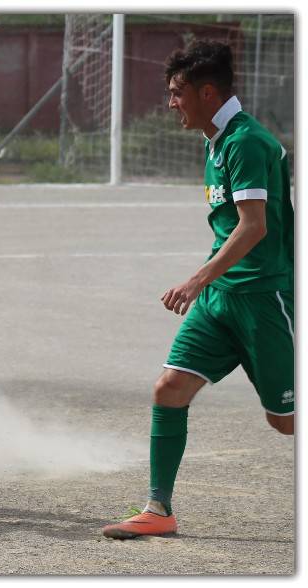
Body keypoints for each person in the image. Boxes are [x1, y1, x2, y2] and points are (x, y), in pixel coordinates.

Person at [102, 40, 293, 539]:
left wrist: (195, 278)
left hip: (264, 299)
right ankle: (159, 510)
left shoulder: (246, 142)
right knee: (170, 389)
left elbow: (254, 227)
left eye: (176, 93)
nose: (170, 104)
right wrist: (208, 282)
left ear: (207, 93)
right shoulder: (216, 140)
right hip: (220, 299)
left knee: (287, 423)